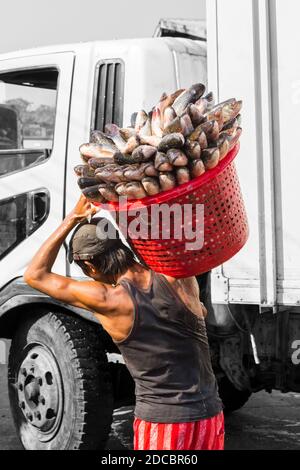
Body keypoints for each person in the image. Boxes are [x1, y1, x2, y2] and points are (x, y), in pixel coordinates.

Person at [24, 195, 225, 451]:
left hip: (164, 424)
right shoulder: (177, 277)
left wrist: (72, 217)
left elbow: (35, 275)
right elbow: (202, 312)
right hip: (210, 417)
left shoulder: (109, 299)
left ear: (90, 266)